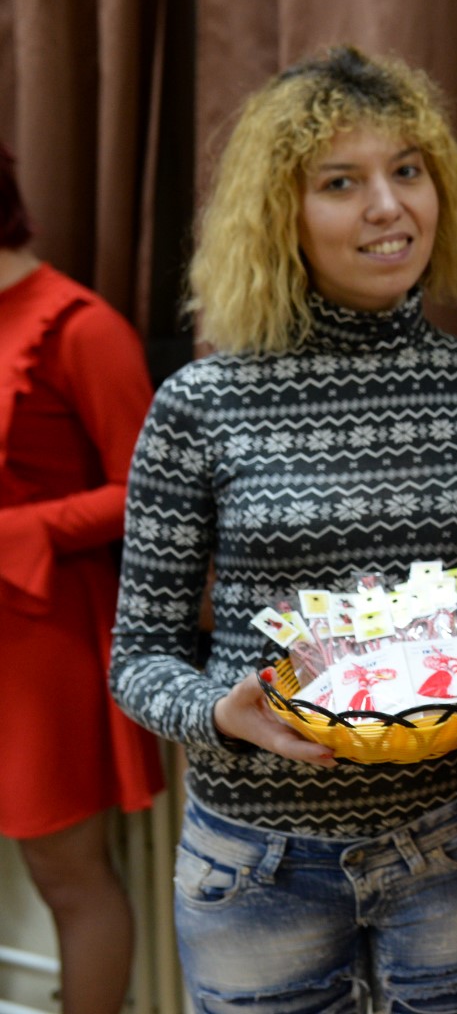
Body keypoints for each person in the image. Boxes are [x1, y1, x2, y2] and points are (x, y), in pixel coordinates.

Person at [109, 46, 457, 1010]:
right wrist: (219, 715)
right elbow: (140, 658)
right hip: (255, 861)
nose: (388, 207)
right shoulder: (199, 406)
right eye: (341, 182)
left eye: (408, 171)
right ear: (281, 212)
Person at [0, 141, 165, 1014]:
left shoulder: (80, 326)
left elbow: (146, 493)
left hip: (42, 636)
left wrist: (22, 530)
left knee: (66, 873)